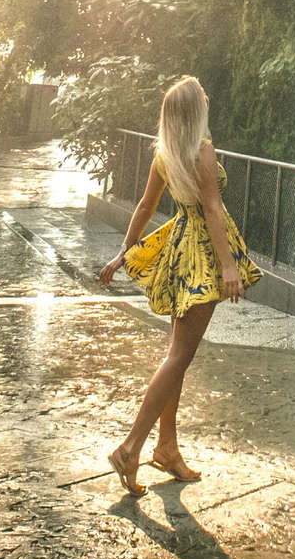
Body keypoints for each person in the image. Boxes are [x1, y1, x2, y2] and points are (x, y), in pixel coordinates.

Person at [97, 75, 262, 491]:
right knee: (178, 358)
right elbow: (211, 209)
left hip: (177, 251)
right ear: (195, 111)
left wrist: (125, 250)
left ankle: (166, 448)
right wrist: (228, 268)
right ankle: (131, 448)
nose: (208, 98)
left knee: (178, 356)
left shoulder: (164, 154)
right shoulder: (203, 152)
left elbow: (145, 204)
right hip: (201, 256)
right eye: (203, 97)